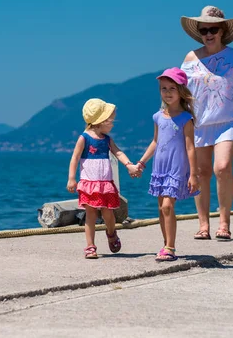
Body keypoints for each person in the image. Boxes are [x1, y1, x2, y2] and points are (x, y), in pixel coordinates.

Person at [180, 5, 233, 240]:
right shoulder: (190, 58)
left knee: (222, 168)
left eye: (213, 29)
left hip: (228, 121)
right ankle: (203, 225)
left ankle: (224, 222)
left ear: (222, 31)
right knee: (200, 172)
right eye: (204, 30)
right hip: (199, 123)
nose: (208, 34)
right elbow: (182, 92)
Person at [135, 68, 199, 261]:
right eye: (164, 88)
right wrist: (141, 162)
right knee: (161, 209)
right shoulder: (157, 117)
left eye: (172, 88)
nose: (168, 92)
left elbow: (190, 148)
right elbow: (155, 142)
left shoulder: (186, 119)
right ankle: (165, 245)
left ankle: (170, 247)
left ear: (181, 90)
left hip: (177, 169)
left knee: (167, 207)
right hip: (159, 169)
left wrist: (193, 174)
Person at [67, 98, 141, 259]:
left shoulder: (107, 140)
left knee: (108, 213)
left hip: (105, 183)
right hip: (89, 183)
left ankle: (111, 232)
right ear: (100, 121)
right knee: (90, 214)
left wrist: (129, 165)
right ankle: (90, 246)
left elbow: (118, 152)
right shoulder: (84, 138)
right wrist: (72, 178)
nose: (113, 124)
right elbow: (75, 158)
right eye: (111, 121)